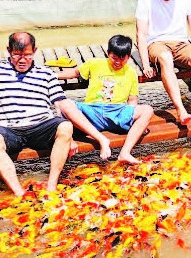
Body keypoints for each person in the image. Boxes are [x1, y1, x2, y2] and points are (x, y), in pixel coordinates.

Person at [0, 32, 112, 196]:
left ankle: (51, 186)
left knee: (65, 126)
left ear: (34, 51)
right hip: (10, 128)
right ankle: (19, 193)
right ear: (9, 50)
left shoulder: (45, 73)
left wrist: (70, 138)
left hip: (41, 126)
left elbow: (62, 104)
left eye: (27, 55)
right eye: (16, 55)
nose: (22, 60)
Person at [57, 35, 153, 165]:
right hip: (92, 112)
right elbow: (75, 73)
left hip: (117, 113)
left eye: (122, 58)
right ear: (108, 53)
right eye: (114, 58)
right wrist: (52, 75)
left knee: (147, 110)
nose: (117, 62)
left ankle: (125, 153)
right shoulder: (95, 63)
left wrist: (137, 122)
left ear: (129, 57)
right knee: (64, 104)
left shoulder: (131, 73)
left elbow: (132, 101)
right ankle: (101, 139)